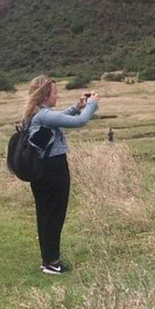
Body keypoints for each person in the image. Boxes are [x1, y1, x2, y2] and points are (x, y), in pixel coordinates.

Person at [22, 75, 99, 274]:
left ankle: (48, 260)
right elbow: (80, 122)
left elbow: (59, 119)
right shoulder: (43, 116)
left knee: (46, 215)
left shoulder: (37, 113)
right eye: (55, 92)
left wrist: (77, 106)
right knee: (55, 216)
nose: (58, 95)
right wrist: (91, 105)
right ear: (46, 95)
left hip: (42, 170)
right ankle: (52, 263)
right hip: (53, 170)